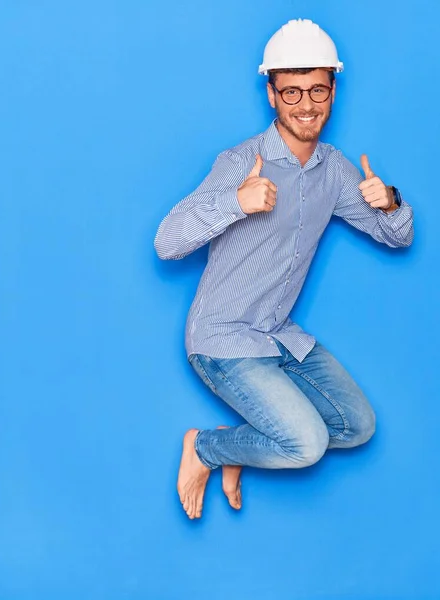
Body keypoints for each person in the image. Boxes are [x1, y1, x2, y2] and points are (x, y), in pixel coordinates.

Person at [154, 19, 414, 519]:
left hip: (280, 336)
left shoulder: (335, 169)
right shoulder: (240, 161)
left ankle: (240, 444)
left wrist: (390, 203)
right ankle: (206, 448)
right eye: (291, 92)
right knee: (305, 445)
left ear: (333, 90)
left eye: (317, 89)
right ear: (271, 95)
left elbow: (397, 237)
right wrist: (237, 201)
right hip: (223, 339)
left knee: (357, 426)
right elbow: (166, 243)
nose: (307, 104)